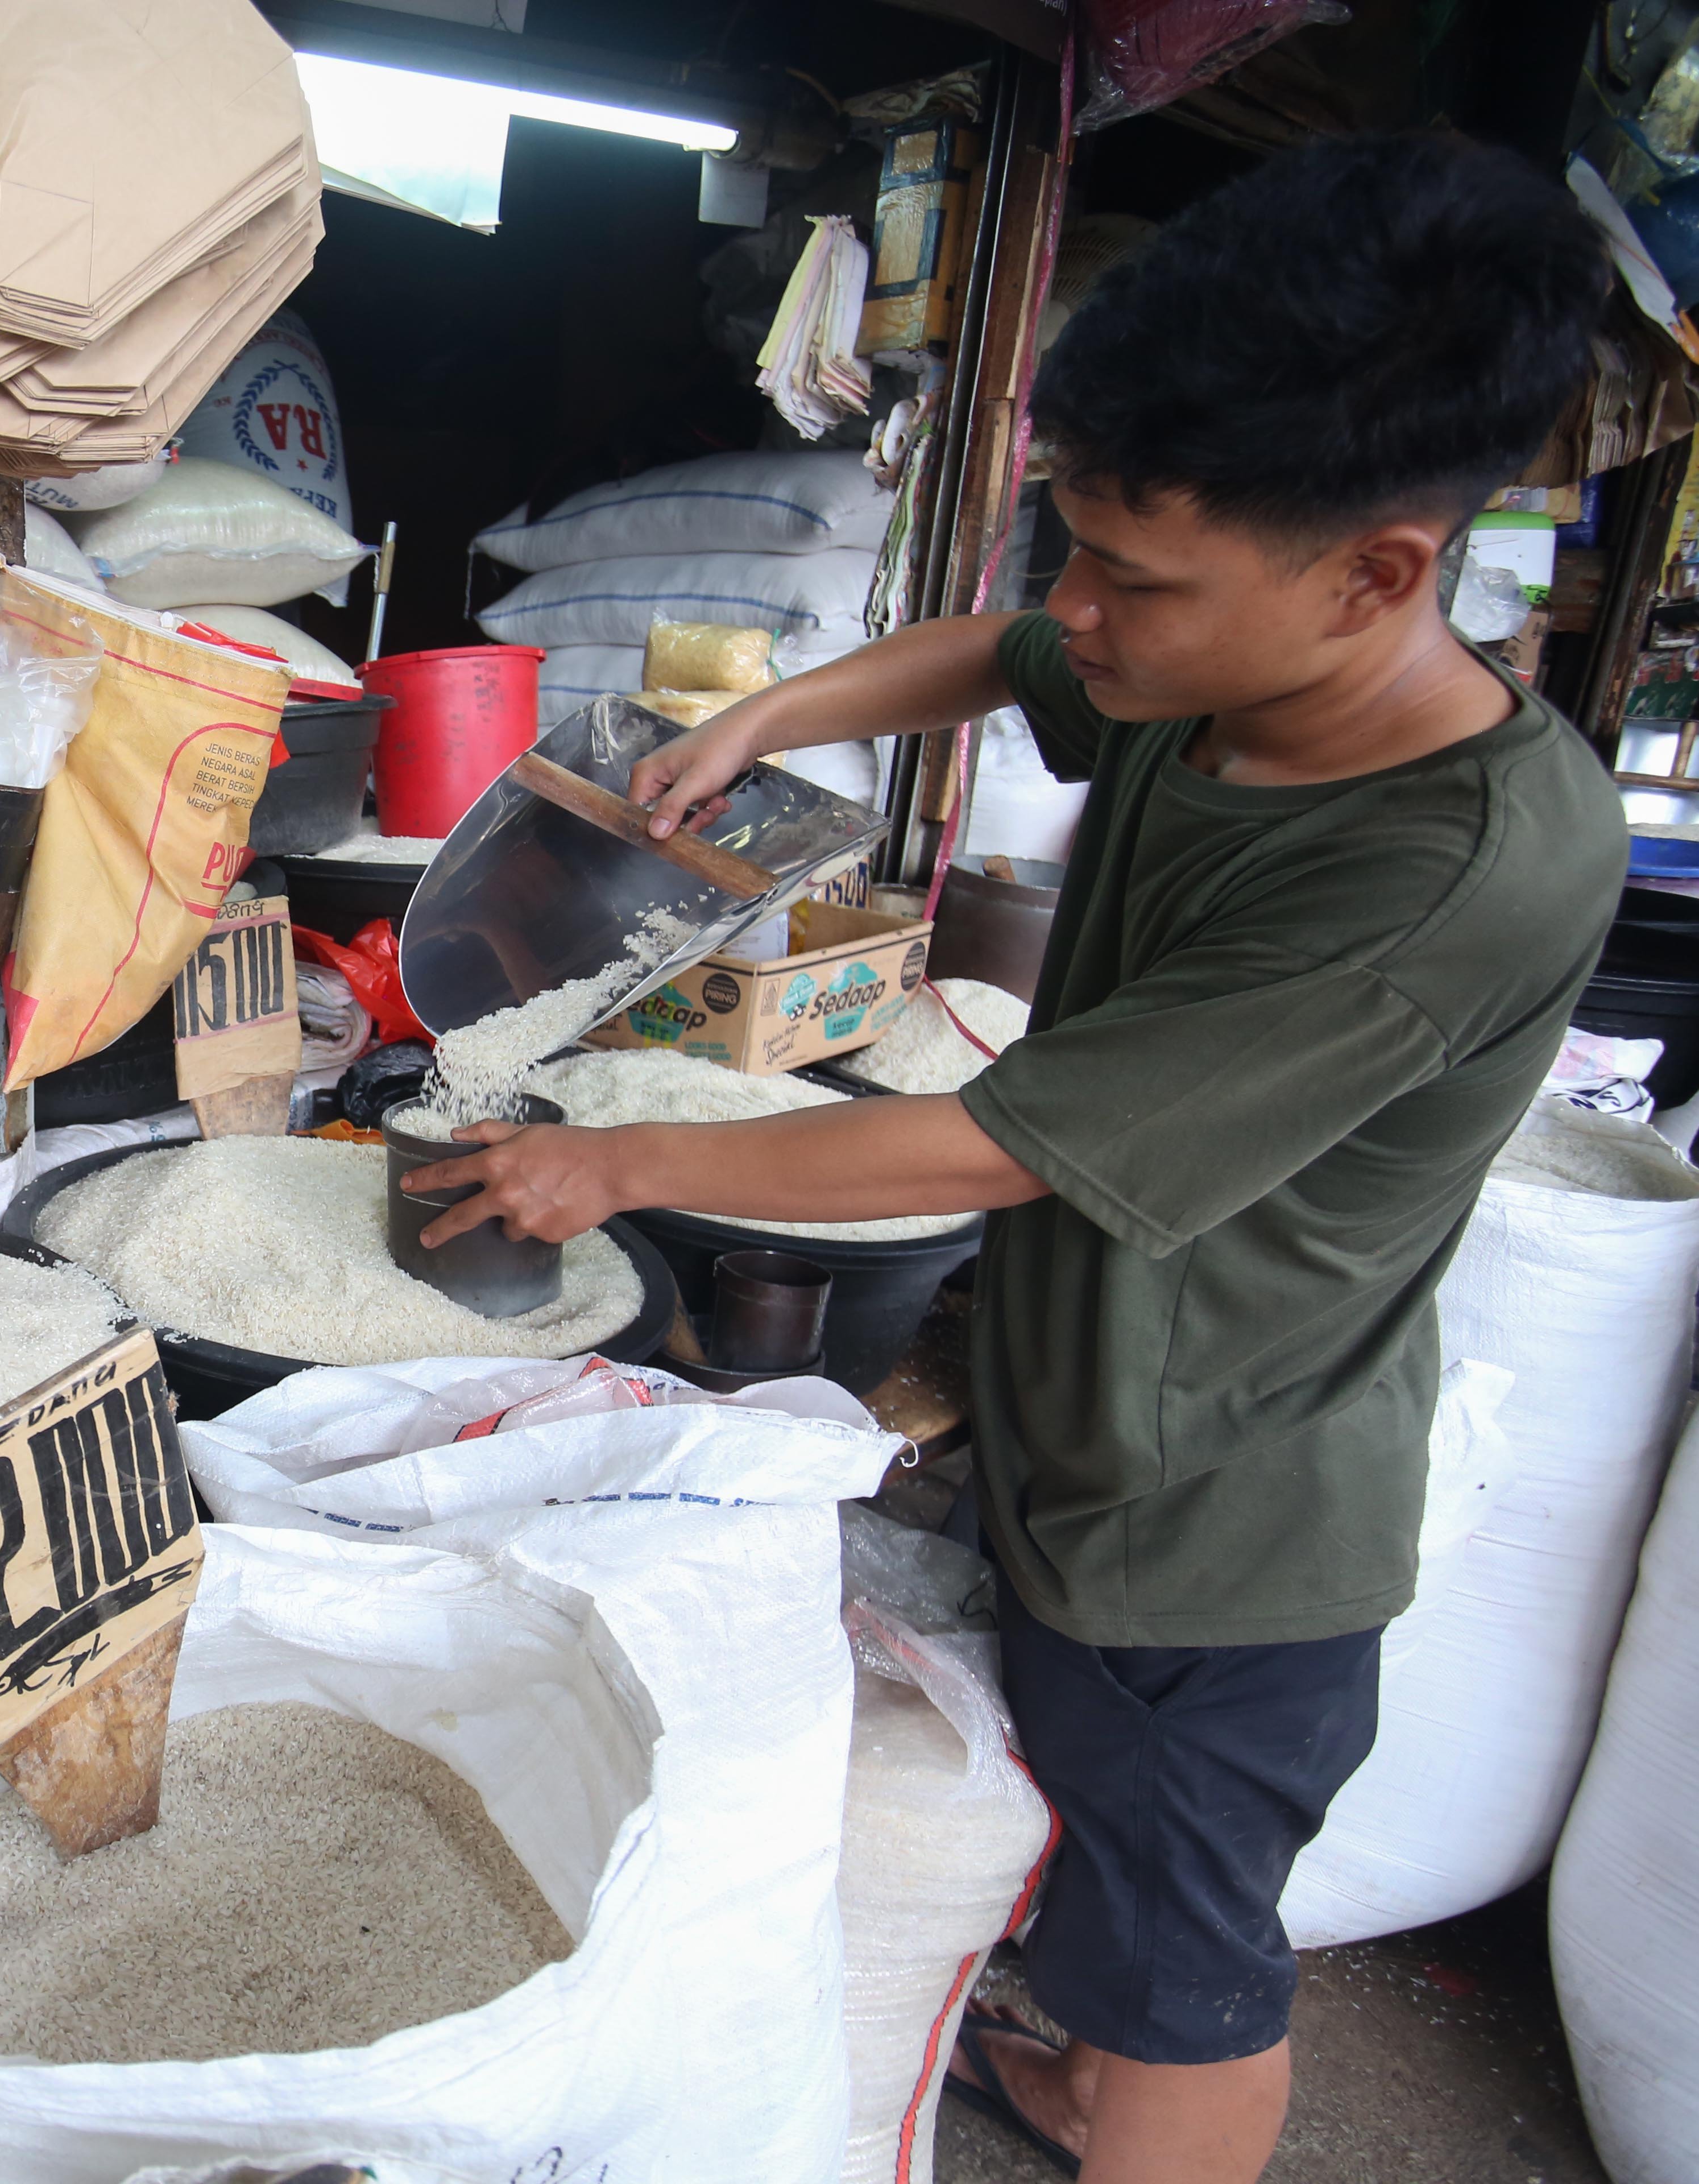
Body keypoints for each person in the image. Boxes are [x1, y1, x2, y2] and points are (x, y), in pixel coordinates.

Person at [404, 133, 1621, 2183]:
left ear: (1380, 572)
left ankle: (1157, 2112)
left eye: (1131, 577)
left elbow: (996, 1145)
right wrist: (769, 718)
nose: (1083, 614)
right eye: (1076, 547)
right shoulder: (1212, 658)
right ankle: (1092, 2084)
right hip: (1089, 1409)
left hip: (1217, 1518)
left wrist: (604, 1161)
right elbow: (996, 652)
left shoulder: (1448, 874)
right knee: (1102, 1867)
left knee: (1184, 1966)